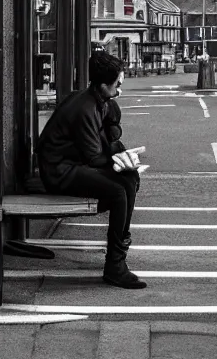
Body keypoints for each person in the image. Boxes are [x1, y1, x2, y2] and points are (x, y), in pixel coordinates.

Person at [35, 51, 147, 289]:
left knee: (129, 179)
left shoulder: (97, 100)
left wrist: (118, 147)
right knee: (119, 191)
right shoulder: (85, 108)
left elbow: (108, 129)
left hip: (73, 165)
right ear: (103, 85)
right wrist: (121, 157)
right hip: (60, 172)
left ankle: (117, 261)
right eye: (117, 85)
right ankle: (115, 266)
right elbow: (95, 157)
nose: (119, 90)